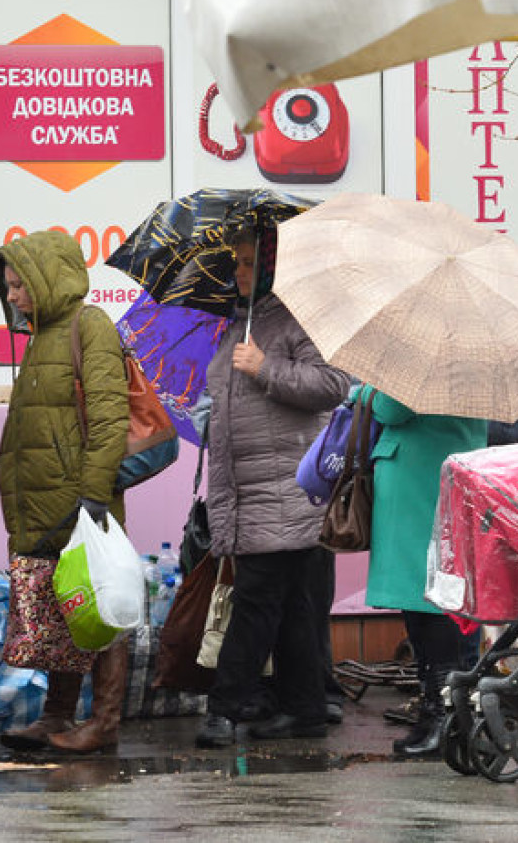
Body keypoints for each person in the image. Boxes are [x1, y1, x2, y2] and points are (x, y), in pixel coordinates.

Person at [196, 225, 350, 749]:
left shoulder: (296, 320)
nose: (236, 272)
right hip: (251, 493)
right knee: (292, 609)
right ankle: (305, 709)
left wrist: (266, 367)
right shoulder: (239, 321)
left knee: (257, 603)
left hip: (287, 491)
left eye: (246, 263)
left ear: (271, 265)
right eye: (235, 262)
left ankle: (223, 707)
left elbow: (333, 385)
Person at [0, 229, 131, 754]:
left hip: (80, 503)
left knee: (98, 608)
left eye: (18, 285)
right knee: (59, 609)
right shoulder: (40, 336)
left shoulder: (87, 325)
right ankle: (57, 716)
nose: (12, 297)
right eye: (8, 288)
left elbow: (110, 414)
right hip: (42, 506)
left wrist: (94, 494)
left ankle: (105, 721)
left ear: (45, 280)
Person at [357, 384, 487, 758]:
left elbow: (392, 408)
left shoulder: (429, 352)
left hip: (421, 479)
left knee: (430, 603)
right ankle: (441, 714)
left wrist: (363, 393)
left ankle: (442, 717)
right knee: (435, 597)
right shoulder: (468, 347)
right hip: (440, 473)